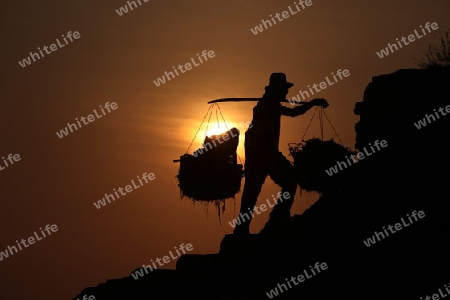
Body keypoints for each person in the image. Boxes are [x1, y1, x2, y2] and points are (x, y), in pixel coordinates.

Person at [233, 73, 329, 235]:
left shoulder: (267, 105)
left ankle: (261, 222)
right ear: (276, 90)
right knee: (285, 182)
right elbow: (293, 113)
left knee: (253, 193)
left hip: (263, 156)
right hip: (264, 156)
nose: (286, 94)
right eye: (284, 90)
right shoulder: (267, 106)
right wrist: (312, 103)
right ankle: (275, 218)